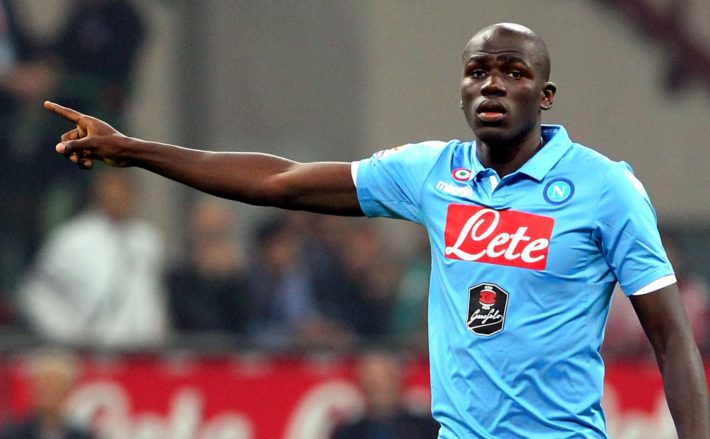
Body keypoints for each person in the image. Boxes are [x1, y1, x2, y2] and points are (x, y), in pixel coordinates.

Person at [43, 22, 709, 438]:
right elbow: (280, 180)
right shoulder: (432, 173)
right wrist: (134, 150)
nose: (493, 85)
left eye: (514, 73)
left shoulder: (604, 188)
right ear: (461, 89)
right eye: (478, 71)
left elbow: (672, 337)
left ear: (546, 95)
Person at [17, 170, 168, 348]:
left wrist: (157, 335)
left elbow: (153, 296)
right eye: (113, 192)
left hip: (143, 352)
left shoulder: (146, 239)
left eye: (125, 192)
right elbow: (35, 293)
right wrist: (67, 334)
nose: (119, 198)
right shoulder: (72, 239)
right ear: (98, 194)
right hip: (91, 351)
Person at [331, 350, 440, 439]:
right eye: (370, 380)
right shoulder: (347, 433)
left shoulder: (426, 429)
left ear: (397, 381)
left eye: (383, 379)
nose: (375, 386)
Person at [0, 349, 94, 439]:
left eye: (56, 386)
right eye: (44, 385)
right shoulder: (13, 434)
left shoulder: (82, 435)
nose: (49, 393)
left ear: (68, 391)